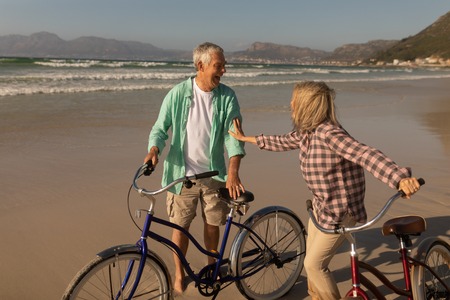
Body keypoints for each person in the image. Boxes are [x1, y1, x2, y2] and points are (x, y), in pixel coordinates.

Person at [228, 81, 420, 300]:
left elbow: (365, 154)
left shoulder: (330, 134)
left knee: (314, 265)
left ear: (307, 104)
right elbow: (283, 141)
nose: (290, 103)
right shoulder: (306, 132)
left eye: (295, 99)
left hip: (340, 212)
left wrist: (400, 178)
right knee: (312, 261)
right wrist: (247, 139)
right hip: (321, 207)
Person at [143, 42, 245, 294]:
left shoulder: (228, 96)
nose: (224, 70)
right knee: (181, 228)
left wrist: (233, 173)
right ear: (201, 66)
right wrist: (154, 149)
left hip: (215, 175)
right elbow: (160, 128)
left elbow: (234, 137)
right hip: (181, 177)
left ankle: (212, 267)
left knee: (212, 225)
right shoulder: (177, 94)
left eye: (223, 65)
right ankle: (179, 273)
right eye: (218, 65)